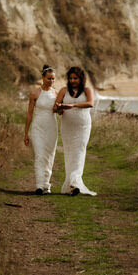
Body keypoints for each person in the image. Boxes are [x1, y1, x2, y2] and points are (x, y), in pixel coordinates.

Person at [54, 66, 97, 196]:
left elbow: (90, 103)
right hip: (67, 126)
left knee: (79, 151)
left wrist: (73, 105)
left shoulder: (87, 90)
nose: (72, 80)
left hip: (83, 126)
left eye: (75, 78)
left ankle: (75, 182)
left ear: (81, 79)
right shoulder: (63, 91)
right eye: (71, 78)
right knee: (69, 153)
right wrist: (60, 109)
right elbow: (56, 107)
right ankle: (70, 184)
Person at [24, 65, 59, 195]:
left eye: (53, 79)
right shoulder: (35, 93)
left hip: (52, 127)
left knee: (49, 156)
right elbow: (29, 114)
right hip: (38, 127)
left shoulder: (56, 94)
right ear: (43, 78)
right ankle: (39, 185)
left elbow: (60, 111)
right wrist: (26, 133)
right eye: (49, 78)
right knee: (39, 155)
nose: (51, 81)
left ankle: (46, 184)